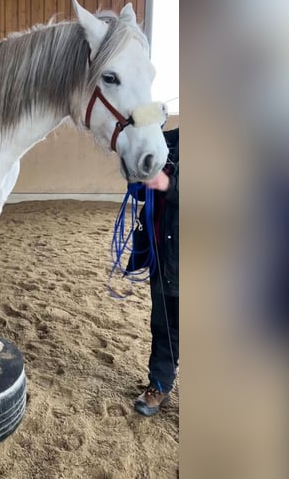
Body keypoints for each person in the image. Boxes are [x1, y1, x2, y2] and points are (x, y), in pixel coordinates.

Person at [126, 127, 179, 416]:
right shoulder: (167, 141)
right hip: (163, 253)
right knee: (164, 325)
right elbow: (139, 181)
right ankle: (159, 385)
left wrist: (168, 184)